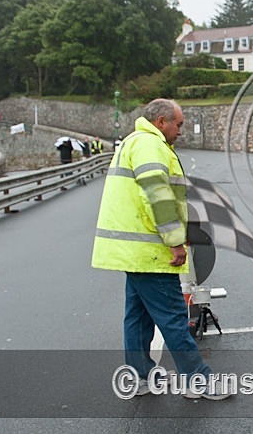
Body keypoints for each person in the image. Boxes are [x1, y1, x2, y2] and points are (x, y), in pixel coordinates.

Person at [91, 98, 231, 400]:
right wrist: (175, 241)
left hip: (135, 252)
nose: (180, 131)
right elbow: (157, 196)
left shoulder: (134, 141)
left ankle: (140, 376)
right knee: (173, 316)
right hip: (151, 252)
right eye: (178, 124)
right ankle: (198, 382)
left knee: (138, 316)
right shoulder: (151, 145)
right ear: (161, 122)